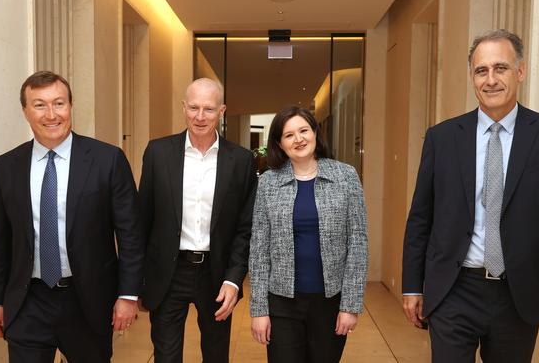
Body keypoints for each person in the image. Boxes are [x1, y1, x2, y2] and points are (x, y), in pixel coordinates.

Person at [401, 29, 539, 363]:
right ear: (472, 77)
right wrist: (412, 286)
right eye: (481, 70)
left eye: (501, 68)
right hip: (454, 287)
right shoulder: (443, 138)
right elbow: (421, 216)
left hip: (518, 294)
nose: (490, 79)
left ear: (520, 72)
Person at [0, 71, 144, 362]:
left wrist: (128, 295)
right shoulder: (6, 167)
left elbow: (131, 234)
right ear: (25, 111)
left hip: (88, 302)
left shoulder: (108, 160)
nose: (51, 114)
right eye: (40, 105)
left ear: (71, 106)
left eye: (59, 103)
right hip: (28, 301)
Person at [138, 78, 257, 362]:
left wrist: (234, 280)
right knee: (166, 356)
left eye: (209, 109)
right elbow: (142, 220)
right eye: (193, 107)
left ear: (222, 111)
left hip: (216, 275)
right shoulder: (158, 153)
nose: (200, 116)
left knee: (216, 355)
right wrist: (137, 280)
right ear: (184, 107)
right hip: (169, 271)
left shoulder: (240, 160)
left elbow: (245, 228)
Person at [249, 106, 368, 363]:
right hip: (281, 303)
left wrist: (350, 305)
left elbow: (358, 243)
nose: (298, 139)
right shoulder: (268, 183)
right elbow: (258, 249)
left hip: (330, 302)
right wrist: (259, 309)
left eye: (303, 130)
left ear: (315, 132)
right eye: (289, 135)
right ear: (280, 144)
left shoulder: (345, 176)